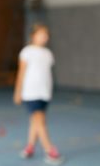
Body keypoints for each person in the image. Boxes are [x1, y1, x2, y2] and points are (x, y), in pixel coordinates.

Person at [14, 23, 63, 164]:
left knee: (36, 122)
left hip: (44, 93)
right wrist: (18, 91)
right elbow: (21, 73)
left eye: (46, 35)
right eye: (41, 34)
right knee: (39, 120)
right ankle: (50, 151)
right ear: (33, 36)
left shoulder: (48, 54)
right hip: (31, 92)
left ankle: (30, 147)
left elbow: (47, 74)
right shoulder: (26, 52)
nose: (45, 37)